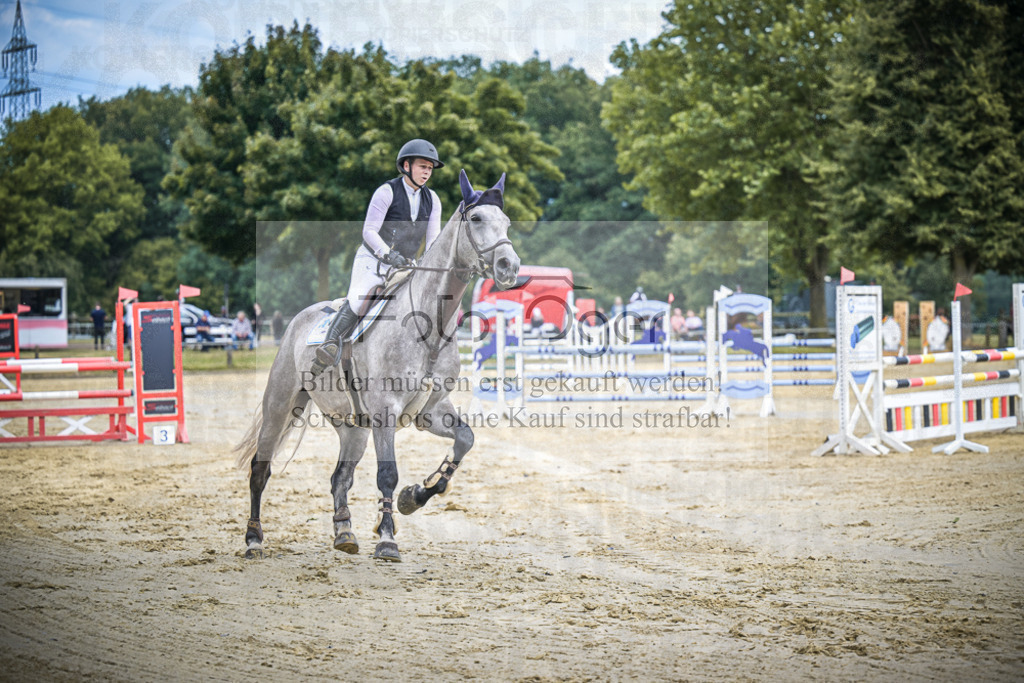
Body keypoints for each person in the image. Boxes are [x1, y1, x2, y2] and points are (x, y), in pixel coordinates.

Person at [311, 138, 444, 376]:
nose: (427, 172)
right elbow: (369, 231)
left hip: (406, 266)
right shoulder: (386, 192)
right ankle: (329, 345)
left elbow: (433, 239)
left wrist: (427, 264)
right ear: (406, 166)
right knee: (360, 299)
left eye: (430, 168)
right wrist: (387, 254)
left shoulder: (433, 200)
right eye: (422, 166)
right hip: (373, 261)